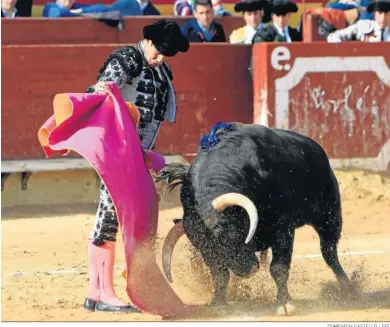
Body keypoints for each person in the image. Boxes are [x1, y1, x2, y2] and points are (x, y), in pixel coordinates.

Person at [83, 19, 190, 313]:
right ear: (148, 41)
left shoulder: (162, 69)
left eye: (166, 54)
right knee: (110, 213)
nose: (160, 58)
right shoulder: (127, 60)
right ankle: (101, 293)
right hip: (117, 150)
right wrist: (120, 111)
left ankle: (105, 289)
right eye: (158, 51)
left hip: (138, 155)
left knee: (130, 216)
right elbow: (98, 93)